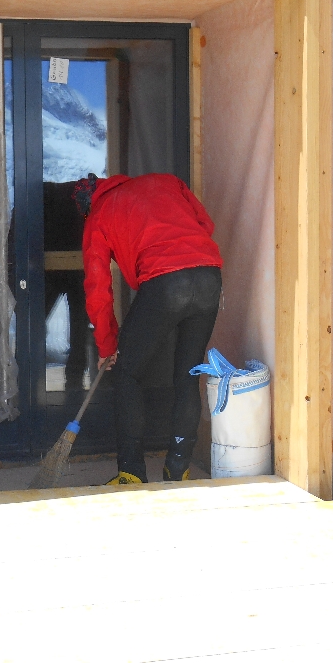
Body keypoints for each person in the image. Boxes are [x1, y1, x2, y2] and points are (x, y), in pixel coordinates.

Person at [74, 172, 223, 484]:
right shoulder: (167, 182)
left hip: (165, 282)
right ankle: (178, 470)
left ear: (87, 206)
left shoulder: (98, 215)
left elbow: (98, 289)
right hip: (209, 275)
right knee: (188, 373)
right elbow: (205, 225)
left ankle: (131, 473)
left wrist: (107, 346)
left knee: (126, 372)